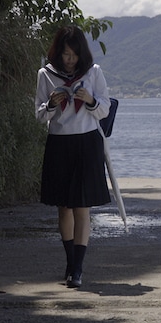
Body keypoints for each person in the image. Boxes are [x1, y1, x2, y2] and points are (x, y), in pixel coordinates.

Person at [35, 25, 111, 288]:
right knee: (63, 207)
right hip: (59, 143)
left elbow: (105, 109)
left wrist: (90, 99)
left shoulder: (94, 72)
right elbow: (39, 114)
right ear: (58, 53)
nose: (70, 60)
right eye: (66, 55)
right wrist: (52, 104)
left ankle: (78, 268)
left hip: (87, 142)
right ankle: (70, 262)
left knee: (82, 206)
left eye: (74, 55)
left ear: (82, 54)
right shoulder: (46, 74)